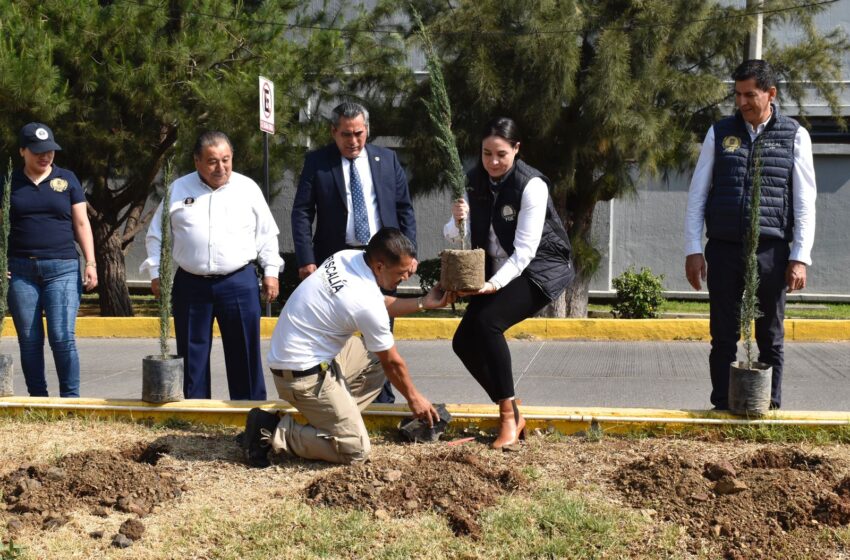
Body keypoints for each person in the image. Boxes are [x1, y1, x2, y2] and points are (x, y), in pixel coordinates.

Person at [242, 227, 448, 467]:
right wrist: (415, 399)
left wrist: (424, 302)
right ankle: (273, 431)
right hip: (302, 378)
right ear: (380, 266)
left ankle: (334, 421)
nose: (406, 277)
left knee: (373, 357)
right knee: (356, 450)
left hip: (299, 358)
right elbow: (392, 360)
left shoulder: (346, 258)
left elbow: (376, 303)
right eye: (402, 272)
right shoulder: (364, 302)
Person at [684, 59, 816, 411]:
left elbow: (805, 202)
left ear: (771, 94)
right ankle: (723, 405)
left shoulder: (794, 135)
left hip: (771, 250)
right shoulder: (720, 131)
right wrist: (693, 248)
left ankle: (767, 406)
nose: (742, 102)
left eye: (750, 95)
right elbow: (698, 193)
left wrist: (800, 256)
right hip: (724, 248)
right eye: (738, 94)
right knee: (723, 335)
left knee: (769, 335)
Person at [445, 117, 573, 450]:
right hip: (496, 271)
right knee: (463, 342)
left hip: (539, 268)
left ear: (516, 149)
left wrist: (493, 285)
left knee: (488, 324)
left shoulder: (531, 184)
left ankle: (507, 417)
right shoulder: (474, 179)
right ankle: (514, 411)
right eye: (486, 153)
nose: (493, 162)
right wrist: (457, 220)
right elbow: (457, 236)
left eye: (501, 154)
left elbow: (525, 252)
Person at [291, 101, 417, 404]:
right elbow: (302, 212)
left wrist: (409, 254)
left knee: (381, 328)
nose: (353, 141)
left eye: (359, 133)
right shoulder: (318, 162)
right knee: (340, 333)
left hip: (382, 260)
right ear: (334, 132)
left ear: (368, 129)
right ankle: (338, 395)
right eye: (346, 134)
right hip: (338, 259)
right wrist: (307, 259)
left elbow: (404, 209)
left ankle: (383, 398)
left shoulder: (386, 160)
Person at [141, 131, 283, 401]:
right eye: (212, 161)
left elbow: (266, 235)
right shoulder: (178, 189)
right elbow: (156, 235)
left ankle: (249, 412)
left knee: (245, 353)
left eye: (226, 160)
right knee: (192, 356)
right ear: (197, 161)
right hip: (191, 284)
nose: (221, 168)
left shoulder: (247, 188)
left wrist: (271, 273)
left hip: (238, 282)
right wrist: (156, 273)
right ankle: (196, 413)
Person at [5, 122, 98, 397]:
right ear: (22, 151)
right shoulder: (9, 182)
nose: (45, 156)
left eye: (50, 151)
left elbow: (82, 224)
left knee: (62, 337)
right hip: (20, 271)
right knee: (30, 340)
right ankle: (39, 399)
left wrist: (91, 262)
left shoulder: (67, 179)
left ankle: (71, 400)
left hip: (63, 269)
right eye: (37, 151)